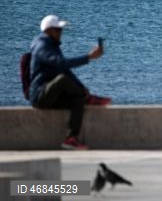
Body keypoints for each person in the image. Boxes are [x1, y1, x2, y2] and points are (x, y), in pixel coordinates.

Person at [29, 15, 109, 150]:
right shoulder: (42, 46)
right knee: (62, 79)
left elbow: (66, 70)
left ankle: (71, 138)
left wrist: (83, 90)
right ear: (49, 31)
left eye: (61, 30)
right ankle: (89, 99)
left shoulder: (52, 46)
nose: (61, 33)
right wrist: (88, 57)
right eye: (58, 30)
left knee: (79, 99)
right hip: (40, 96)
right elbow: (62, 64)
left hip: (52, 94)